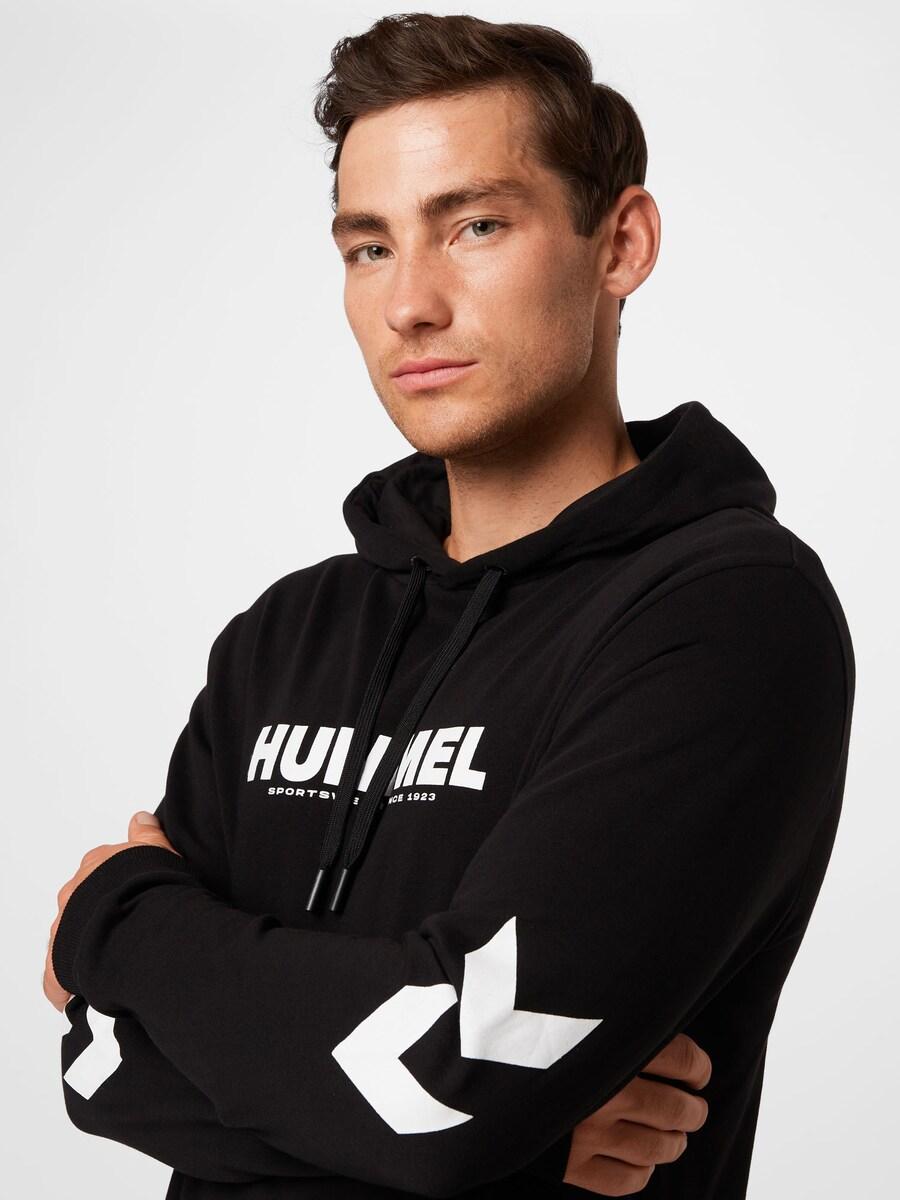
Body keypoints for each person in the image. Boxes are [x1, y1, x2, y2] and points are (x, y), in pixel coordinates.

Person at [44, 13, 854, 1200]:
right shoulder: (287, 634)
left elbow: (447, 1096)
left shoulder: (726, 614)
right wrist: (510, 1140)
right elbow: (101, 1065)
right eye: (369, 246)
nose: (409, 304)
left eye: (475, 225)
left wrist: (113, 919)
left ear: (621, 244)